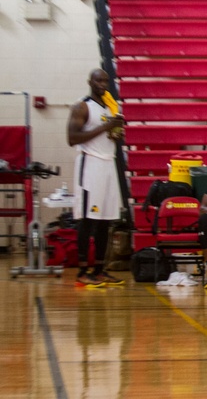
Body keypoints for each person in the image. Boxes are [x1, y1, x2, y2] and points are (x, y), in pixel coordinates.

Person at [67, 69, 126, 287]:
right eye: (98, 80)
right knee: (88, 221)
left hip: (108, 164)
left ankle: (100, 270)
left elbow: (111, 135)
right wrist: (106, 127)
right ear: (89, 81)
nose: (102, 83)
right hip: (90, 163)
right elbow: (72, 138)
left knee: (105, 221)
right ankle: (83, 271)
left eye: (105, 80)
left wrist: (116, 131)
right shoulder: (81, 106)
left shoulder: (110, 107)